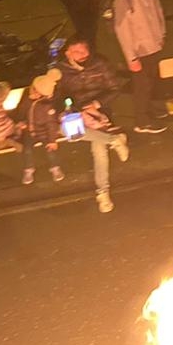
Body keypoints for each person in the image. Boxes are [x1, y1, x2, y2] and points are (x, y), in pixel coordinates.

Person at [53, 38, 131, 213]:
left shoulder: (100, 64)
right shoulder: (60, 69)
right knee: (67, 130)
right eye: (75, 51)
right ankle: (114, 139)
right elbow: (57, 96)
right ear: (67, 53)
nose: (80, 55)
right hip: (75, 112)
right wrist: (71, 110)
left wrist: (96, 104)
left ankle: (102, 192)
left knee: (99, 149)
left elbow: (115, 88)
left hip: (100, 111)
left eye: (83, 51)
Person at [111, 0, 167, 134]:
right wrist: (131, 57)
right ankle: (142, 121)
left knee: (152, 82)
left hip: (154, 44)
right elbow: (122, 29)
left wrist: (161, 34)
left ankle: (151, 111)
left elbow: (158, 12)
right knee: (142, 86)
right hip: (139, 50)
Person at [19, 70, 67, 185]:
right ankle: (28, 169)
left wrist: (52, 140)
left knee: (50, 150)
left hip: (44, 132)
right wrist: (21, 122)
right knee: (27, 150)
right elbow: (20, 111)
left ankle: (55, 167)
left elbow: (51, 123)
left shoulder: (47, 105)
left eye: (35, 90)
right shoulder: (27, 98)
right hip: (29, 131)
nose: (32, 91)